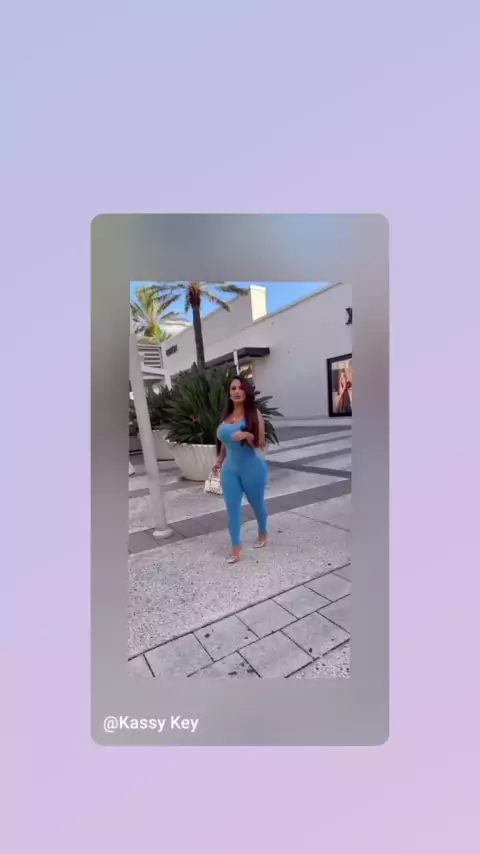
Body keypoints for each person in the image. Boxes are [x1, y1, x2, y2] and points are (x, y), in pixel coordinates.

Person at [213, 376, 268, 564]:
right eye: (233, 388)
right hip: (230, 469)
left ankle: (263, 532)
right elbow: (225, 443)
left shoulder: (254, 413)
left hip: (252, 468)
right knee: (232, 508)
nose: (237, 391)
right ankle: (236, 547)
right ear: (229, 393)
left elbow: (260, 443)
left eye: (240, 388)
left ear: (246, 392)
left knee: (257, 505)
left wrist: (247, 435)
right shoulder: (226, 416)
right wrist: (219, 460)